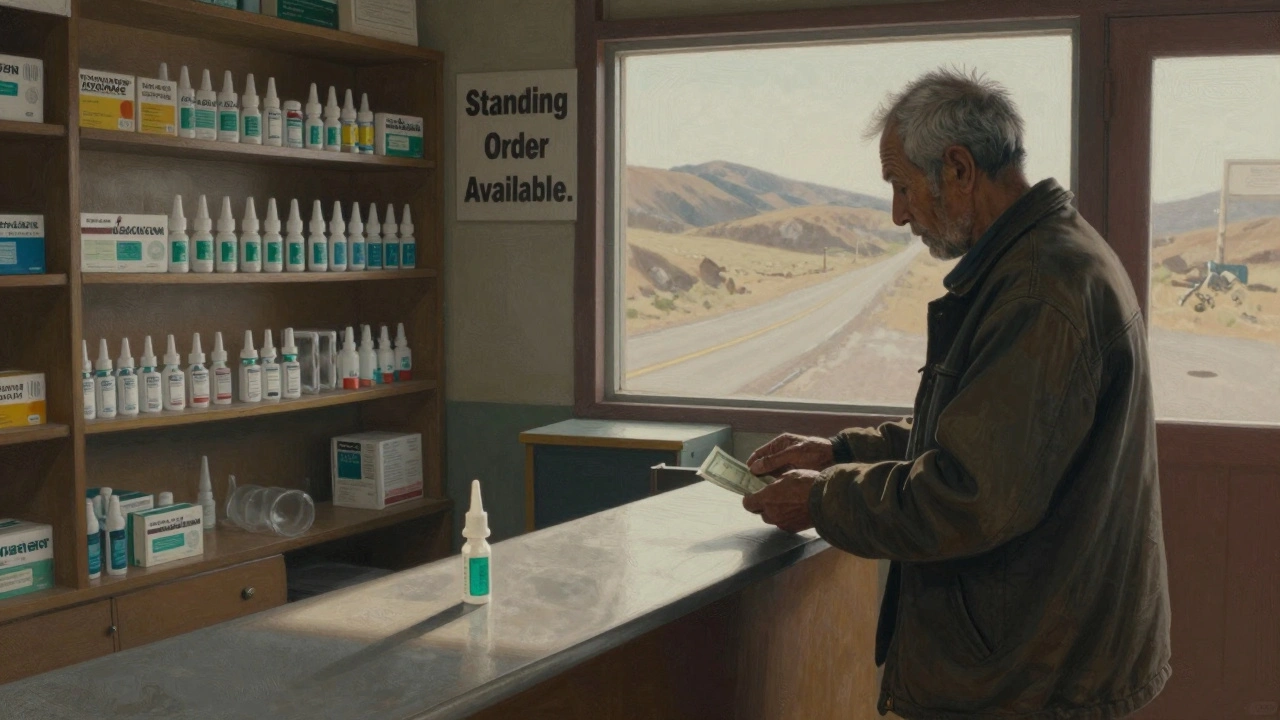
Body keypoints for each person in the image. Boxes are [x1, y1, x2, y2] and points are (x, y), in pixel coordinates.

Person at [742, 68, 1172, 719]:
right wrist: (839, 452)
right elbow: (975, 432)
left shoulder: (1040, 288)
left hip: (1037, 680)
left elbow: (971, 494)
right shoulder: (1036, 263)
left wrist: (823, 498)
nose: (898, 214)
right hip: (1035, 661)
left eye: (901, 186)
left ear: (960, 169)